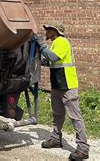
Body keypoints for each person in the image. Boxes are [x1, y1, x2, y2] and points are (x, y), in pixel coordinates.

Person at [36, 21, 90, 160]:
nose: (46, 31)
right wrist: (41, 59)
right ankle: (56, 139)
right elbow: (51, 61)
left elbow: (53, 57)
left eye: (49, 29)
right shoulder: (54, 43)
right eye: (46, 29)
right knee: (58, 115)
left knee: (75, 117)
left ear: (56, 31)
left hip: (67, 85)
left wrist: (41, 45)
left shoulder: (62, 41)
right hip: (57, 85)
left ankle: (83, 149)